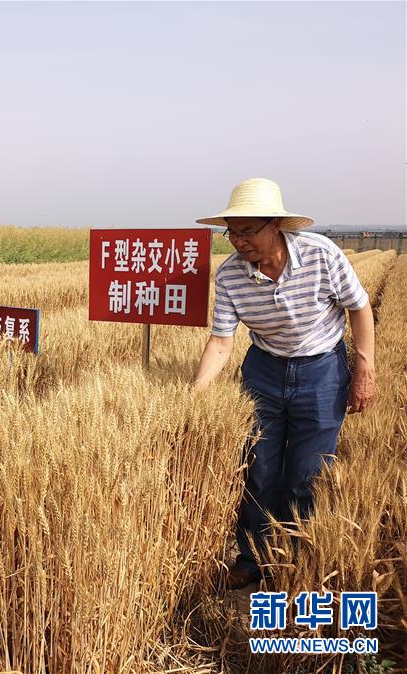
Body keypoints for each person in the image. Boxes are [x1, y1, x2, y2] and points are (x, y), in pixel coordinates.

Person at [191, 177, 376, 590]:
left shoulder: (320, 254)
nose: (238, 242)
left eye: (248, 231)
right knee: (259, 468)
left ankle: (292, 559)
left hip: (322, 369)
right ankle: (252, 556)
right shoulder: (230, 277)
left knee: (306, 472)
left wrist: (364, 370)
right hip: (264, 369)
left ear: (277, 224)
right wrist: (194, 399)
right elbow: (222, 342)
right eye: (232, 232)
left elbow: (360, 308)